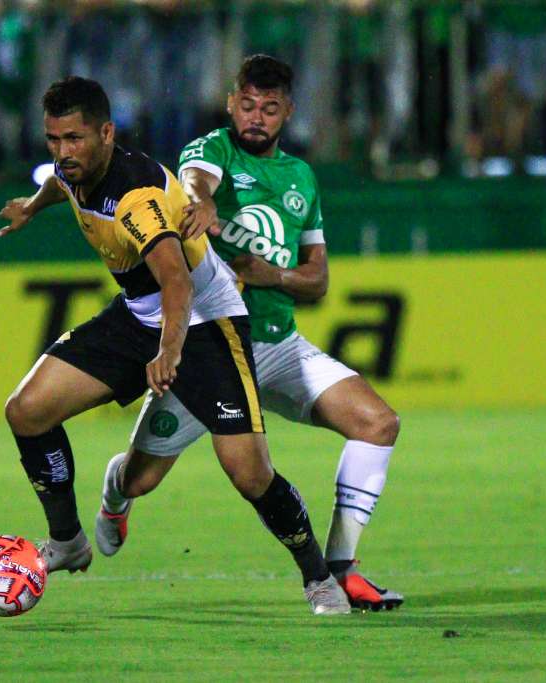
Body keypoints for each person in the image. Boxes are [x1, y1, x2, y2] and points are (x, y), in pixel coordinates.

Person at [0, 76, 350, 615]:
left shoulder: (135, 199)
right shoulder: (75, 168)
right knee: (26, 411)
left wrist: (167, 353)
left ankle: (318, 578)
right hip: (140, 313)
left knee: (248, 472)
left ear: (107, 134)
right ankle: (66, 541)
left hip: (206, 319)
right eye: (53, 140)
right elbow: (60, 183)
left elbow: (177, 283)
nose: (63, 153)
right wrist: (32, 205)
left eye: (74, 140)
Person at [95, 55, 404, 611]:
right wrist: (202, 200)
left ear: (287, 113)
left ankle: (341, 568)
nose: (255, 117)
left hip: (278, 345)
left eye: (269, 108)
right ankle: (116, 493)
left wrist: (272, 276)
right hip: (210, 348)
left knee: (378, 423)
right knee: (141, 479)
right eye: (246, 105)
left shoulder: (300, 177)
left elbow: (317, 280)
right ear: (231, 103)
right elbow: (193, 182)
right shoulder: (211, 151)